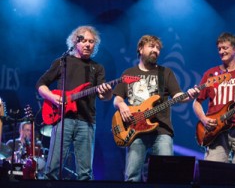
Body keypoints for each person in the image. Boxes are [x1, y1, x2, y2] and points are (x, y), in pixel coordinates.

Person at [113, 35, 199, 182]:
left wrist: (189, 95)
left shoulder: (165, 72)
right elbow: (117, 98)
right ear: (140, 49)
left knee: (165, 176)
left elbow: (177, 95)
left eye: (158, 48)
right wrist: (122, 105)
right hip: (135, 130)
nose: (155, 50)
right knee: (132, 176)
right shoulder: (129, 73)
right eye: (151, 46)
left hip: (162, 130)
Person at [36, 25, 112, 180]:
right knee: (52, 170)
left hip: (87, 121)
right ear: (75, 42)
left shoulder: (97, 68)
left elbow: (104, 97)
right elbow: (41, 85)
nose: (88, 44)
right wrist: (53, 97)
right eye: (84, 40)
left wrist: (108, 92)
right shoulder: (62, 62)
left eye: (91, 42)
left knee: (85, 173)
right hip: (63, 120)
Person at [193, 32, 235, 167]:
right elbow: (197, 102)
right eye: (219, 49)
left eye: (225, 48)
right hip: (215, 132)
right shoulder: (210, 74)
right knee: (212, 174)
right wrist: (204, 120)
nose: (221, 51)